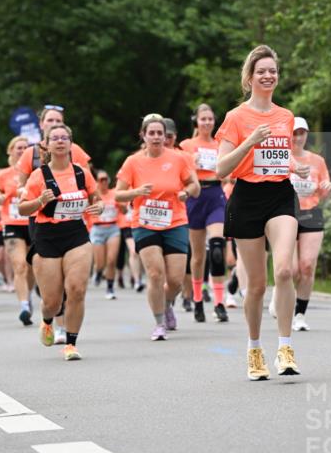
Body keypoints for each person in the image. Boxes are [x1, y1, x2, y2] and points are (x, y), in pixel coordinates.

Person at [216, 45, 300, 380]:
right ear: (249, 77)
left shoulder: (286, 116)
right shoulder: (235, 117)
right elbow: (221, 168)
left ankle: (285, 348)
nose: (268, 76)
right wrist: (249, 141)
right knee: (256, 285)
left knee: (284, 271)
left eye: (272, 71)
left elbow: (280, 156)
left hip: (280, 195)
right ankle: (254, 349)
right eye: (261, 71)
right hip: (247, 198)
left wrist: (296, 166)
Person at [19, 123, 101, 361]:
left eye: (65, 137)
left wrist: (100, 206)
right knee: (52, 302)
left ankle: (71, 343)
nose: (60, 141)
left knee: (76, 289)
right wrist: (40, 201)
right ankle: (47, 320)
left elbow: (96, 197)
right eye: (54, 138)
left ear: (71, 143)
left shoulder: (81, 173)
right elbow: (23, 209)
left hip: (76, 233)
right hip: (47, 236)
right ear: (46, 144)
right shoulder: (38, 175)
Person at [115, 115, 200, 340]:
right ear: (143, 136)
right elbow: (118, 194)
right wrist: (136, 192)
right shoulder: (133, 162)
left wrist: (186, 192)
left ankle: (167, 303)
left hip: (175, 222)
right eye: (151, 133)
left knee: (175, 280)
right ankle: (159, 323)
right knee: (155, 274)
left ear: (165, 136)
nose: (155, 137)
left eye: (159, 133)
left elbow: (195, 186)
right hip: (145, 223)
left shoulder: (178, 159)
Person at [269, 117, 331, 331]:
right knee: (291, 269)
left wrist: (327, 188)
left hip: (311, 213)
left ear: (307, 135)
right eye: (294, 133)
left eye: (302, 133)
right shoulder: (281, 157)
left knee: (307, 266)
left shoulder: (317, 160)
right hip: (286, 214)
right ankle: (279, 293)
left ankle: (299, 314)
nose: (298, 137)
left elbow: (323, 191)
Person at [179, 104, 229, 323]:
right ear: (196, 121)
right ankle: (197, 299)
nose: (207, 122)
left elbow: (228, 171)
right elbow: (179, 173)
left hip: (216, 194)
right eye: (203, 119)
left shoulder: (220, 144)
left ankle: (219, 303)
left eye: (210, 119)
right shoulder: (186, 145)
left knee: (217, 247)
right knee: (198, 256)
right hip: (195, 196)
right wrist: (192, 165)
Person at [0, 136, 33, 325]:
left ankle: (29, 294)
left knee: (33, 267)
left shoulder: (36, 172)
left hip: (34, 222)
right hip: (12, 224)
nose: (22, 150)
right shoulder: (4, 174)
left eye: (26, 147)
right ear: (11, 151)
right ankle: (24, 306)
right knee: (20, 265)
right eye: (19, 147)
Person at [88, 170, 122, 300]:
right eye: (101, 180)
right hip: (97, 229)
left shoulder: (114, 194)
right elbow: (86, 211)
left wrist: (123, 206)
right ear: (96, 182)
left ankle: (110, 288)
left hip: (113, 228)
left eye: (105, 179)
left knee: (112, 260)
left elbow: (124, 210)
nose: (104, 182)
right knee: (100, 263)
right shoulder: (94, 195)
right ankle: (98, 272)